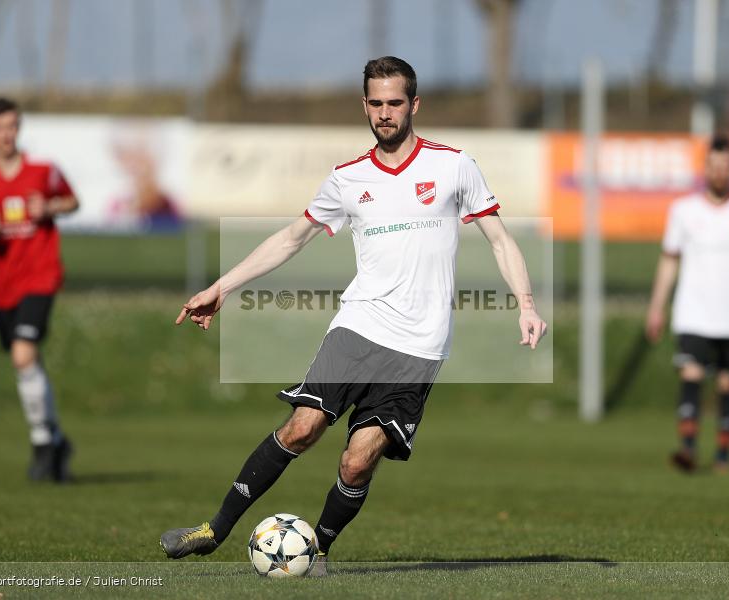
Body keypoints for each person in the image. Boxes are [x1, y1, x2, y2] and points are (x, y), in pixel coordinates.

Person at [160, 57, 548, 571]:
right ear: (364, 105)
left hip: (420, 347)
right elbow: (291, 239)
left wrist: (525, 304)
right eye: (376, 103)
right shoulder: (347, 178)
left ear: (414, 104)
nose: (385, 113)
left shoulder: (454, 166)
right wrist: (222, 286)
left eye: (394, 103)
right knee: (302, 428)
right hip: (359, 328)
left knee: (358, 460)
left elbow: (500, 240)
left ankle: (317, 548)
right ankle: (213, 529)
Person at [0, 97, 79, 483]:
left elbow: (72, 201)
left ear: (18, 128)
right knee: (29, 364)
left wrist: (50, 207)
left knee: (23, 356)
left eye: (12, 126)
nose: (6, 134)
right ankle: (57, 439)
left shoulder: (43, 171)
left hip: (40, 275)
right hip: (2, 286)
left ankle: (42, 444)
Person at [646, 134, 729, 474]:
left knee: (728, 382)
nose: (718, 172)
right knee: (691, 372)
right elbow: (669, 260)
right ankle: (687, 449)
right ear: (705, 168)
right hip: (693, 312)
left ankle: (724, 456)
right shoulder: (683, 211)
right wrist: (657, 306)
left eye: (725, 166)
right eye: (713, 165)